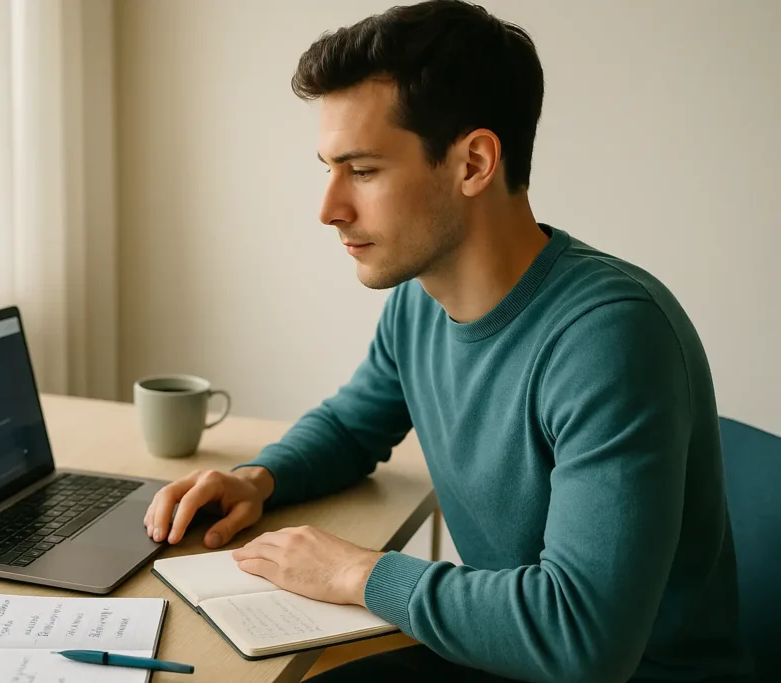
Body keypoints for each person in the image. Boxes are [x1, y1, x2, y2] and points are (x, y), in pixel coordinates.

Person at [143, 1, 753, 680]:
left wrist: (356, 571)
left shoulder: (610, 338)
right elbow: (352, 426)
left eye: (364, 170)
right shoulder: (420, 299)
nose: (329, 209)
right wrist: (260, 477)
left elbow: (584, 636)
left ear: (473, 163)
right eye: (329, 168)